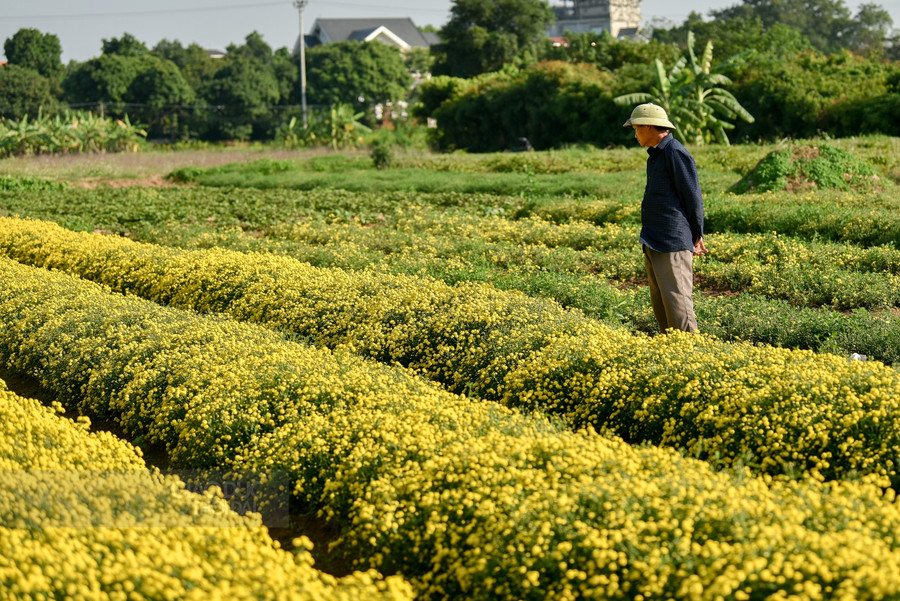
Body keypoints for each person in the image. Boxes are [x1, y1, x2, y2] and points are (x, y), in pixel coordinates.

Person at [623, 103, 707, 333]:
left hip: (672, 239)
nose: (635, 134)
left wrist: (697, 234)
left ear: (649, 126)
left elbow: (692, 195)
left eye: (637, 128)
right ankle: (670, 350)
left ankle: (689, 352)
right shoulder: (656, 155)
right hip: (654, 238)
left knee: (678, 301)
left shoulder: (675, 152)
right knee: (662, 303)